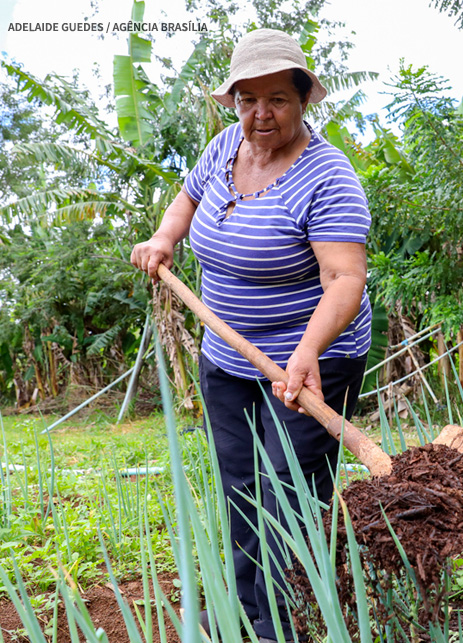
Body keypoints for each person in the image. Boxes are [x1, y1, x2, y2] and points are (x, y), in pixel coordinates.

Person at [130, 28, 372, 643]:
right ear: (233, 101)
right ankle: (244, 607)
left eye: (277, 100)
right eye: (247, 99)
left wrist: (309, 349)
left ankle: (285, 622)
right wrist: (164, 238)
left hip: (310, 358)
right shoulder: (223, 148)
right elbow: (184, 202)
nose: (260, 114)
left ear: (303, 101)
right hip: (229, 356)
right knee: (241, 485)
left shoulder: (328, 175)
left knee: (288, 493)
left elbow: (345, 279)